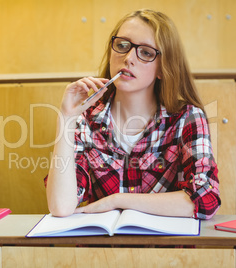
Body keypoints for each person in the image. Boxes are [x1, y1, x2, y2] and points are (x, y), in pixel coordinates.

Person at [45, 9, 220, 220]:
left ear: (163, 69)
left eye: (146, 52)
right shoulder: (85, 120)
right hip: (101, 251)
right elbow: (61, 206)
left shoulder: (187, 117)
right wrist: (66, 118)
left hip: (167, 252)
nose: (128, 58)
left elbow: (205, 199)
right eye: (122, 45)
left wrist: (118, 200)